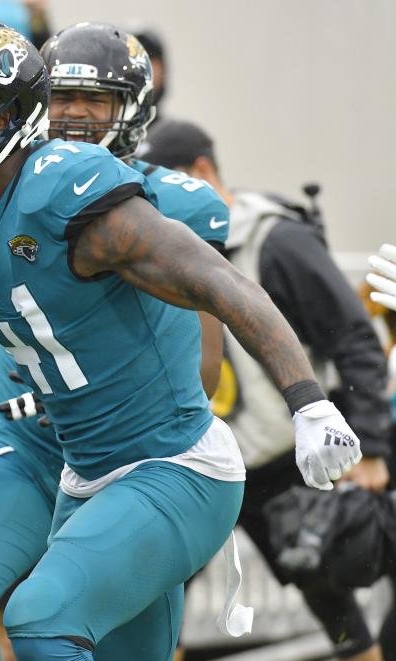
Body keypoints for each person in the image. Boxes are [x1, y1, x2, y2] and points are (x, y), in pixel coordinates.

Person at [0, 18, 361, 660]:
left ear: (3, 119)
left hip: (166, 465)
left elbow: (222, 287)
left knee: (39, 620)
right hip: (82, 468)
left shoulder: (75, 193)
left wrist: (308, 399)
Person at [0, 22, 229, 661]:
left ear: (135, 109)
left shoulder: (169, 203)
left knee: (99, 634)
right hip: (22, 436)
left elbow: (204, 356)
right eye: (61, 96)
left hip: (125, 446)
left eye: (96, 99)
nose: (75, 114)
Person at [141, 118, 393, 661]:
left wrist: (371, 447)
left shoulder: (275, 241)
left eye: (164, 181)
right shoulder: (152, 248)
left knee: (337, 609)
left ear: (202, 172)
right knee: (158, 600)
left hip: (284, 463)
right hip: (205, 460)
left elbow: (356, 340)